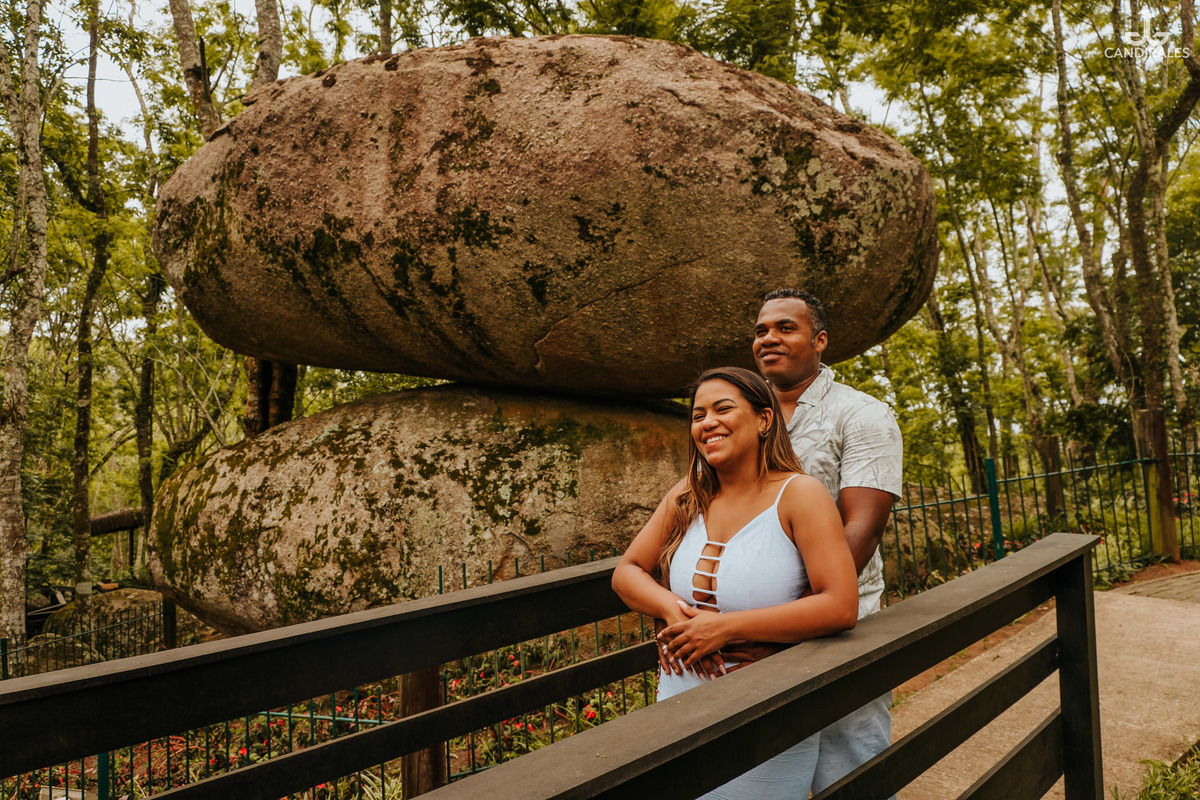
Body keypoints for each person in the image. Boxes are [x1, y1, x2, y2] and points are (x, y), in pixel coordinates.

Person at [612, 366, 859, 800]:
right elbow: (627, 571)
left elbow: (840, 604)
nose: (707, 423)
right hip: (678, 701)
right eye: (698, 415)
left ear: (764, 419)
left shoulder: (801, 494)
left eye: (722, 409)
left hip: (766, 710)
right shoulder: (688, 494)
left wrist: (725, 628)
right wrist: (671, 610)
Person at [752, 287, 903, 795]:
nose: (768, 338)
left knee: (851, 770)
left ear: (819, 341)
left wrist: (788, 615)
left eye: (785, 328)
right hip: (747, 629)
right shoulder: (740, 416)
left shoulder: (862, 414)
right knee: (766, 772)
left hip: (840, 628)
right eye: (761, 330)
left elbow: (862, 529)